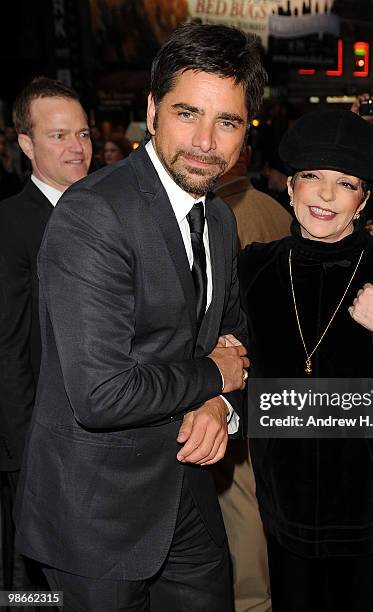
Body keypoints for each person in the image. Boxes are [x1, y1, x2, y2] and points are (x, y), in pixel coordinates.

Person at [13, 23, 265, 612]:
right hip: (96, 511)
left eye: (226, 122)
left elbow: (238, 340)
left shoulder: (221, 219)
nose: (205, 141)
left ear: (246, 132)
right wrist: (213, 377)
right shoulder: (93, 214)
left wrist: (219, 405)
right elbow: (103, 392)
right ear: (152, 112)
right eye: (187, 114)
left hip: (185, 488)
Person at [238, 109, 373, 611]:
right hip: (285, 501)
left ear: (363, 200)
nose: (326, 194)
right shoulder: (256, 268)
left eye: (346, 183)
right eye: (312, 177)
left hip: (369, 509)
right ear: (289, 186)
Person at [0, 77, 92, 592]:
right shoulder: (10, 225)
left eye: (82, 133)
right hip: (40, 444)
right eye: (59, 136)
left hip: (106, 436)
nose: (76, 148)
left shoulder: (111, 212)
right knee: (34, 583)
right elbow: (7, 347)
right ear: (26, 144)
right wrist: (25, 453)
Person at [213, 144, 292, 612]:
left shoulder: (220, 215)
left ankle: (250, 600)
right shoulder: (274, 208)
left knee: (238, 493)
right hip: (279, 369)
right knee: (261, 491)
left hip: (242, 371)